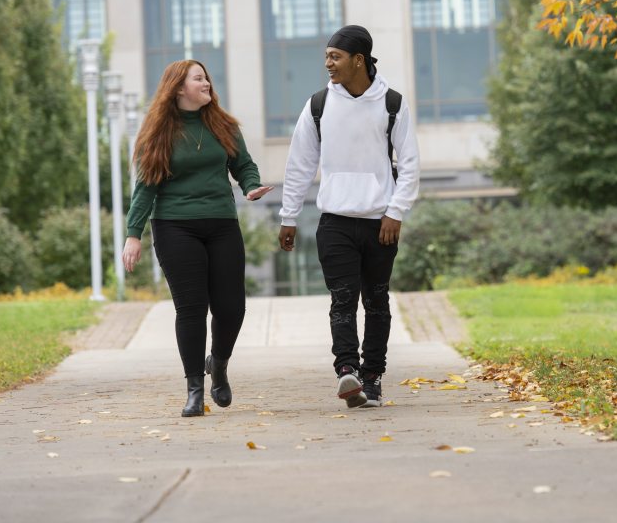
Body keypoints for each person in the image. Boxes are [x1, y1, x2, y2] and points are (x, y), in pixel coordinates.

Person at [278, 24, 419, 409]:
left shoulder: (392, 103)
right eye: (326, 56)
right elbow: (299, 164)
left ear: (359, 60)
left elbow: (409, 164)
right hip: (335, 221)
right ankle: (347, 372)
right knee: (342, 301)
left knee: (376, 302)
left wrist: (396, 211)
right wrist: (288, 216)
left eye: (335, 56)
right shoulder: (319, 104)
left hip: (380, 223)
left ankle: (372, 379)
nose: (328, 63)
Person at [122, 60, 272, 417]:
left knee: (231, 308)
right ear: (178, 89)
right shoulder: (158, 132)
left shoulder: (224, 126)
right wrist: (133, 235)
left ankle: (218, 365)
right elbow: (145, 188)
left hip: (222, 223)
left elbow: (244, 165)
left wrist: (251, 187)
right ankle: (194, 390)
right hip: (175, 226)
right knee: (191, 309)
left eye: (207, 77)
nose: (207, 83)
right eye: (199, 78)